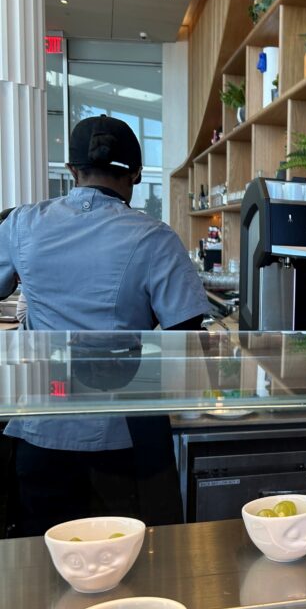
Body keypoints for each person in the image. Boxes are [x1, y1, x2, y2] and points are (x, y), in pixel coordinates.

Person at [0, 115, 210, 536]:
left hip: (41, 424)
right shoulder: (155, 237)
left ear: (72, 171)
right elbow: (188, 342)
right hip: (124, 436)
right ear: (134, 175)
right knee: (129, 563)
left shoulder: (22, 224)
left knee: (45, 562)